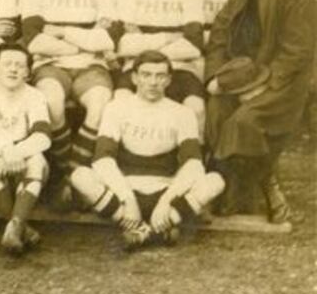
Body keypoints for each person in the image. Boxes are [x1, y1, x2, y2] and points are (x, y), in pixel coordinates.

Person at [205, 0, 316, 223]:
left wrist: (262, 87)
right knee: (215, 110)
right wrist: (217, 78)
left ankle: (266, 187)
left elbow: (298, 52)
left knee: (245, 121)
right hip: (243, 79)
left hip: (284, 84)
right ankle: (224, 186)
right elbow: (218, 36)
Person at [70, 50, 225, 250]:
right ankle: (159, 227)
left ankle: (145, 229)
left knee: (215, 181)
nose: (153, 82)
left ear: (169, 80)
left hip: (165, 190)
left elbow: (193, 164)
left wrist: (167, 201)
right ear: (134, 78)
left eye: (160, 76)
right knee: (80, 176)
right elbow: (102, 160)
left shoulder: (182, 112)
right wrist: (127, 198)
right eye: (146, 75)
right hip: (125, 193)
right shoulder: (117, 108)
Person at [20, 0, 117, 185]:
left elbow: (108, 38)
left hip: (91, 67)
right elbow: (33, 40)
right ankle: (67, 171)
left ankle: (74, 173)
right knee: (51, 101)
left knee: (102, 102)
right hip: (51, 64)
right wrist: (84, 41)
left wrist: (60, 31)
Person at [115, 0, 206, 134]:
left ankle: (194, 161)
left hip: (180, 68)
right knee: (120, 102)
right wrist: (170, 36)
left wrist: (143, 39)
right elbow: (123, 45)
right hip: (137, 69)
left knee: (196, 108)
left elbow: (193, 46)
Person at [0, 43, 51, 255]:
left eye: (20, 65)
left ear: (28, 72)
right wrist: (5, 150)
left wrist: (17, 152)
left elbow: (42, 135)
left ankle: (14, 227)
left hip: (23, 157)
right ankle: (19, 225)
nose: (13, 69)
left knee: (37, 159)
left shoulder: (35, 96)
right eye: (7, 64)